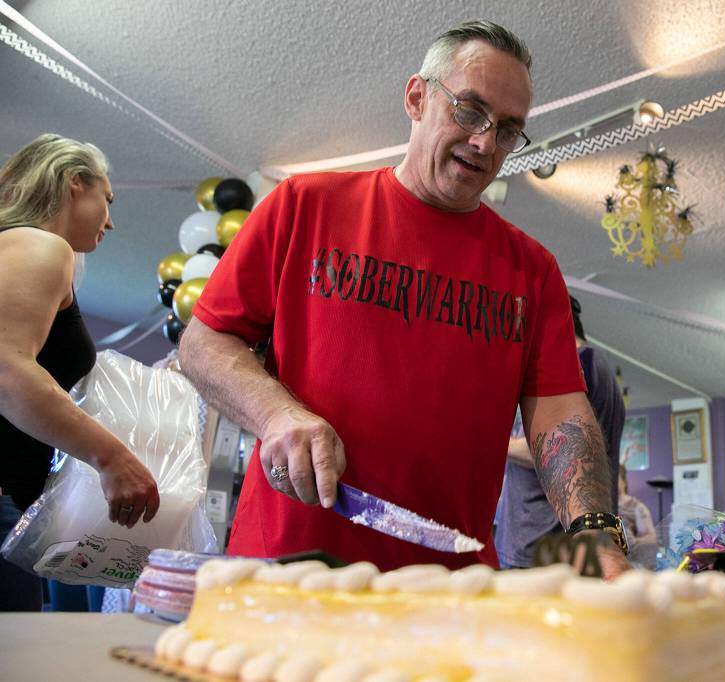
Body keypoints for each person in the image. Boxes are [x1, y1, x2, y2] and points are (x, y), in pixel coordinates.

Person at [178, 20, 630, 577]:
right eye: (470, 110)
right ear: (417, 97)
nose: (486, 142)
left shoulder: (531, 271)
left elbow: (559, 410)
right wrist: (276, 414)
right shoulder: (304, 205)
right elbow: (203, 341)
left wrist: (594, 531)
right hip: (289, 568)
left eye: (509, 130)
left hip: (450, 587)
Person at [0, 134, 160, 611]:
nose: (109, 221)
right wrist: (112, 458)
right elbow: (6, 370)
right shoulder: (40, 245)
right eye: (106, 200)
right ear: (75, 183)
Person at [494, 296, 625, 568]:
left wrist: (494, 442)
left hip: (543, 541)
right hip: (556, 542)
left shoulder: (578, 365)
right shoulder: (593, 367)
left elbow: (563, 450)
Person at [618, 469, 656, 545]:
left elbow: (652, 538)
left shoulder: (637, 507)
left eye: (616, 479)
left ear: (624, 482)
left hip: (628, 555)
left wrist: (635, 541)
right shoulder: (602, 504)